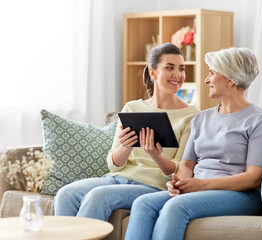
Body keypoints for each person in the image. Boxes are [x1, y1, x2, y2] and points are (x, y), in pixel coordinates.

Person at [124, 47, 262, 240]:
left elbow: (254, 177)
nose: (206, 80)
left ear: (229, 78)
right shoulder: (201, 118)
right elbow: (186, 165)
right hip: (198, 189)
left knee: (176, 206)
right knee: (143, 204)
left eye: (212, 73)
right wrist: (178, 184)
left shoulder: (258, 119)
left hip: (239, 195)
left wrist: (202, 185)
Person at [54, 43, 199, 221]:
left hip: (153, 186)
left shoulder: (191, 116)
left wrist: (155, 155)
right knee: (65, 193)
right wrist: (126, 147)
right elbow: (113, 164)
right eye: (170, 68)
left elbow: (179, 170)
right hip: (117, 179)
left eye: (181, 69)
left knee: (97, 197)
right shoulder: (132, 107)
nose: (178, 75)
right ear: (153, 73)